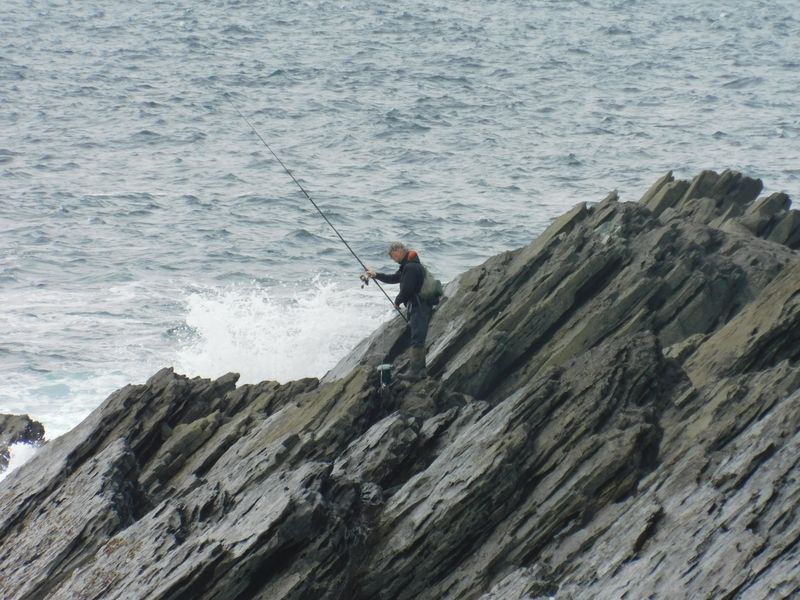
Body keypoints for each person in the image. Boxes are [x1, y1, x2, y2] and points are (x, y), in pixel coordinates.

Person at [366, 241, 433, 381]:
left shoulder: (411, 267)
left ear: (400, 250)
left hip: (419, 307)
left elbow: (407, 289)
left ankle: (415, 372)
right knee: (417, 337)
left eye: (393, 255)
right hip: (419, 306)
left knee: (417, 339)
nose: (392, 258)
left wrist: (397, 301)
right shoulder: (408, 266)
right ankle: (421, 371)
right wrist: (376, 275)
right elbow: (394, 278)